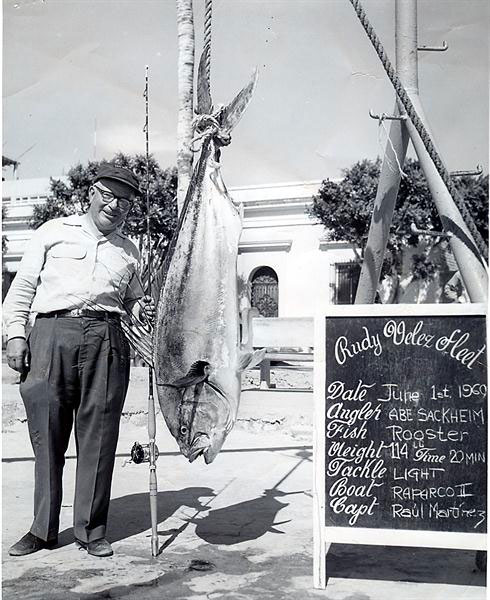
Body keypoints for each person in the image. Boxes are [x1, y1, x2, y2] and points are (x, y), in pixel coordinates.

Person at [3, 164, 154, 558]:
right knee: (47, 438)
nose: (115, 205)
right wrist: (16, 335)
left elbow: (133, 301)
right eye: (108, 194)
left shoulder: (130, 250)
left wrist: (141, 307)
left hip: (107, 339)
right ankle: (42, 530)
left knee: (99, 439)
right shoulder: (53, 232)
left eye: (124, 200)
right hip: (52, 335)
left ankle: (91, 530)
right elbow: (22, 289)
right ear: (91, 192)